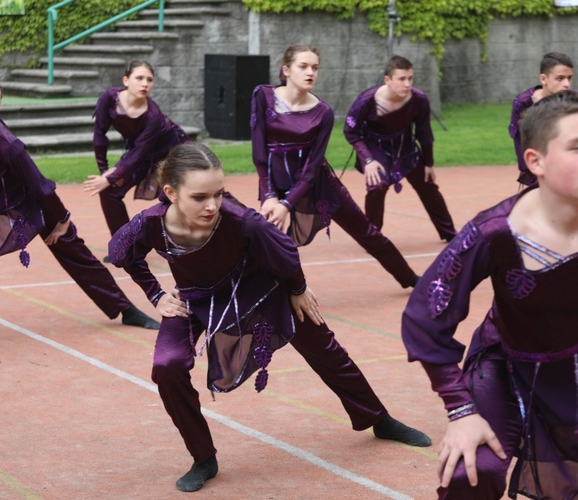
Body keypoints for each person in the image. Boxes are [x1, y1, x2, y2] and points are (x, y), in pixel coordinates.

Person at [402, 92, 578, 498]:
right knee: (474, 469)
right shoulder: (495, 231)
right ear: (535, 161)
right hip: (509, 366)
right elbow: (425, 314)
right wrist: (460, 409)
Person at [108, 142, 431, 493]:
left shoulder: (242, 221)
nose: (212, 205)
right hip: (197, 300)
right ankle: (203, 458)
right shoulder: (150, 224)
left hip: (261, 287)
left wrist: (298, 289)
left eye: (218, 193)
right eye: (200, 197)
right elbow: (122, 253)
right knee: (167, 366)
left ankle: (378, 419)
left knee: (322, 345)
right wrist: (155, 294)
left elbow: (285, 251)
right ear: (170, 193)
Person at [0, 73, 158, 330]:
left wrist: (62, 219)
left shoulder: (9, 146)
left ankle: (125, 309)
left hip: (25, 198)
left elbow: (41, 187)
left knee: (70, 245)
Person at [250, 44, 419, 289]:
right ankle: (268, 294)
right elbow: (259, 152)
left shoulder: (323, 112)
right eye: (303, 66)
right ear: (286, 70)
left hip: (319, 185)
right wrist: (269, 195)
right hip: (274, 185)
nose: (310, 72)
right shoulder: (262, 96)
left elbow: (312, 166)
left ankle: (411, 279)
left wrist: (287, 204)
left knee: (366, 232)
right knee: (270, 241)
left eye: (315, 68)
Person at [343, 55, 456, 242]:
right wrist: (367, 159)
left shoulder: (419, 99)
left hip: (406, 150)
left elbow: (424, 133)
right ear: (387, 80)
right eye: (402, 79)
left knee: (428, 186)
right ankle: (372, 238)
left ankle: (450, 234)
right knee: (377, 186)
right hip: (376, 150)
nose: (407, 84)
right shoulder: (367, 100)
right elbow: (350, 131)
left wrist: (429, 163)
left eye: (410, 78)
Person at [83, 60, 190, 252]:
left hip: (174, 152)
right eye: (139, 78)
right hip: (143, 154)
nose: (145, 84)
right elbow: (99, 135)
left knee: (180, 196)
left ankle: (233, 226)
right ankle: (124, 247)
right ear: (126, 80)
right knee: (109, 191)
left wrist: (110, 177)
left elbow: (139, 153)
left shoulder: (153, 115)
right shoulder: (109, 98)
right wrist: (105, 173)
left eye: (149, 80)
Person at [509, 52, 574, 186]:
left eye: (569, 78)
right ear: (544, 79)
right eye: (560, 78)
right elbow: (520, 140)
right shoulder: (523, 103)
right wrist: (530, 172)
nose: (566, 84)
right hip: (538, 168)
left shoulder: (575, 100)